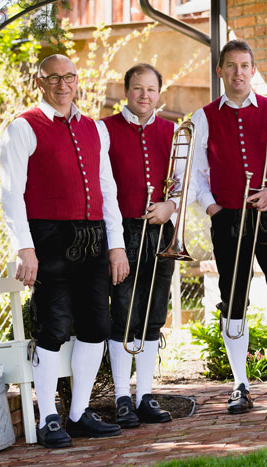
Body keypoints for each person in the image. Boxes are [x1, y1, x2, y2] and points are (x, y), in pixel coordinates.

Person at [0, 54, 129, 448]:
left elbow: (108, 191)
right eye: (53, 78)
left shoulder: (95, 129)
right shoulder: (23, 127)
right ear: (39, 82)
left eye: (69, 77)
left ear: (77, 81)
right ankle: (48, 418)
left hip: (93, 237)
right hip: (48, 236)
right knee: (53, 328)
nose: (62, 84)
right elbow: (10, 193)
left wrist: (117, 244)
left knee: (96, 327)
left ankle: (78, 413)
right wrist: (24, 247)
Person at [191, 40, 267, 414]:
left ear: (253, 70)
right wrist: (211, 207)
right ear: (220, 71)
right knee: (234, 298)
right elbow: (192, 169)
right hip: (228, 218)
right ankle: (239, 384)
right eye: (231, 66)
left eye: (245, 65)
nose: (238, 72)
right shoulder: (204, 116)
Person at [98, 64, 178, 428]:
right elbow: (101, 187)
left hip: (160, 229)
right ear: (125, 91)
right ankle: (120, 397)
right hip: (122, 232)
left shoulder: (173, 131)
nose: (144, 96)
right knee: (124, 313)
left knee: (153, 313)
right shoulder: (105, 129)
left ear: (159, 93)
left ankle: (144, 395)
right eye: (137, 89)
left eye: (151, 89)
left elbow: (182, 180)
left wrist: (170, 205)